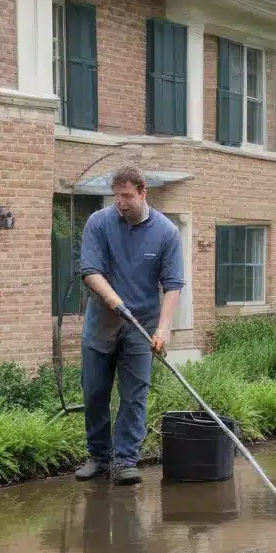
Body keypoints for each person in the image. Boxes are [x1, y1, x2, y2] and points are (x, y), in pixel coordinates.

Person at [75, 165, 185, 485]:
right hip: (102, 321)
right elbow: (90, 272)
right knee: (95, 392)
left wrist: (163, 329)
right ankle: (98, 455)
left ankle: (125, 460)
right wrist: (115, 302)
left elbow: (173, 285)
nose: (120, 202)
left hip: (142, 326)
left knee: (134, 394)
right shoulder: (99, 223)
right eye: (116, 196)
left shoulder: (166, 232)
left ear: (142, 193)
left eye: (126, 196)